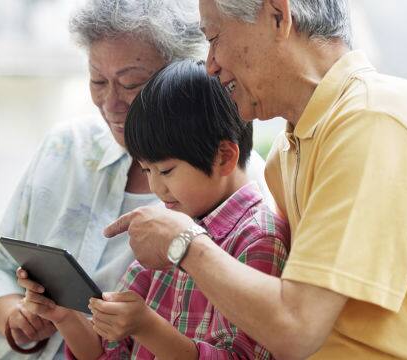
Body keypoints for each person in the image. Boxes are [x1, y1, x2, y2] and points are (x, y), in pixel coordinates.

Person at [104, 0, 407, 359]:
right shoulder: (288, 151)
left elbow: (296, 329)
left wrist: (182, 243)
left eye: (215, 38)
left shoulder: (376, 119)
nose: (210, 66)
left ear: (278, 16)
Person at [0, 0, 270, 359]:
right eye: (97, 80)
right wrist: (17, 317)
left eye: (131, 83)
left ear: (182, 77)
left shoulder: (228, 200)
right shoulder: (65, 146)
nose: (111, 103)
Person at [17, 59, 289, 360]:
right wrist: (64, 315)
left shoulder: (258, 238)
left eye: (166, 170)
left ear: (224, 157)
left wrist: (147, 327)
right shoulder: (165, 227)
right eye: (146, 170)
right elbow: (108, 352)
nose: (156, 188)